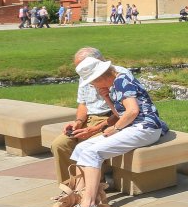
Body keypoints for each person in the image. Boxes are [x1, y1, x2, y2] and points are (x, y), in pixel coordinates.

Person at [57, 56, 167, 207]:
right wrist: (107, 98)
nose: (93, 86)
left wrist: (115, 128)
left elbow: (132, 111)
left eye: (92, 82)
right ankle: (80, 196)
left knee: (92, 153)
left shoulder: (122, 81)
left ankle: (88, 205)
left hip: (145, 128)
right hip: (134, 127)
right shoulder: (115, 84)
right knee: (81, 148)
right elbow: (121, 113)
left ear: (99, 77)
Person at [49, 47, 129, 185]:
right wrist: (78, 122)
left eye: (82, 66)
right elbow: (83, 103)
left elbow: (124, 112)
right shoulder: (84, 75)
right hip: (89, 119)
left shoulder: (119, 75)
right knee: (59, 145)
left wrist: (95, 129)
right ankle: (70, 187)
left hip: (110, 120)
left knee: (86, 148)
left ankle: (93, 187)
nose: (80, 70)